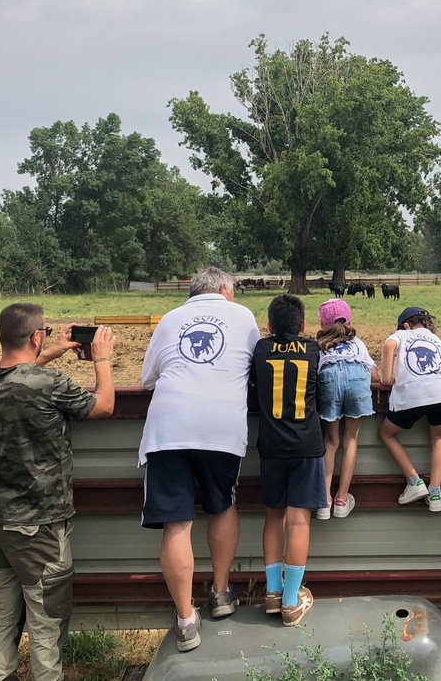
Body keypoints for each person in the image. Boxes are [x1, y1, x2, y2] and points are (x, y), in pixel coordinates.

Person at [0, 305, 116, 681]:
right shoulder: (50, 384)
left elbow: (19, 372)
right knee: (46, 622)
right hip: (42, 525)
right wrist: (100, 359)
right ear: (36, 337)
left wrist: (53, 349)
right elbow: (104, 405)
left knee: (1, 616)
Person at [137, 266, 260, 651]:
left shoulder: (171, 318)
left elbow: (146, 379)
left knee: (177, 523)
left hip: (169, 428)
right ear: (225, 289)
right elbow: (254, 367)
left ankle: (186, 620)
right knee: (222, 506)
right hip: (221, 427)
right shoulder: (242, 316)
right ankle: (221, 593)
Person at [251, 294, 325, 626]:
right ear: (303, 325)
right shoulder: (312, 350)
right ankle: (292, 601)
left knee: (273, 517)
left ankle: (271, 592)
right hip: (306, 446)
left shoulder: (261, 349)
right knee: (298, 522)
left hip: (270, 446)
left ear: (268, 325)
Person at [378, 306, 441, 512]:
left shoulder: (402, 333)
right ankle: (435, 493)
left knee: (386, 434)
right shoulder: (436, 340)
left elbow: (389, 345)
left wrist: (388, 378)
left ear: (406, 325)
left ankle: (414, 482)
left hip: (411, 393)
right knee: (439, 438)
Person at [314, 298, 378, 520]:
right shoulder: (358, 344)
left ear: (323, 323)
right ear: (349, 319)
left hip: (330, 378)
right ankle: (341, 498)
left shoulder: (319, 346)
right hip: (357, 378)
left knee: (331, 441)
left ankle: (324, 500)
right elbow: (375, 375)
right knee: (350, 439)